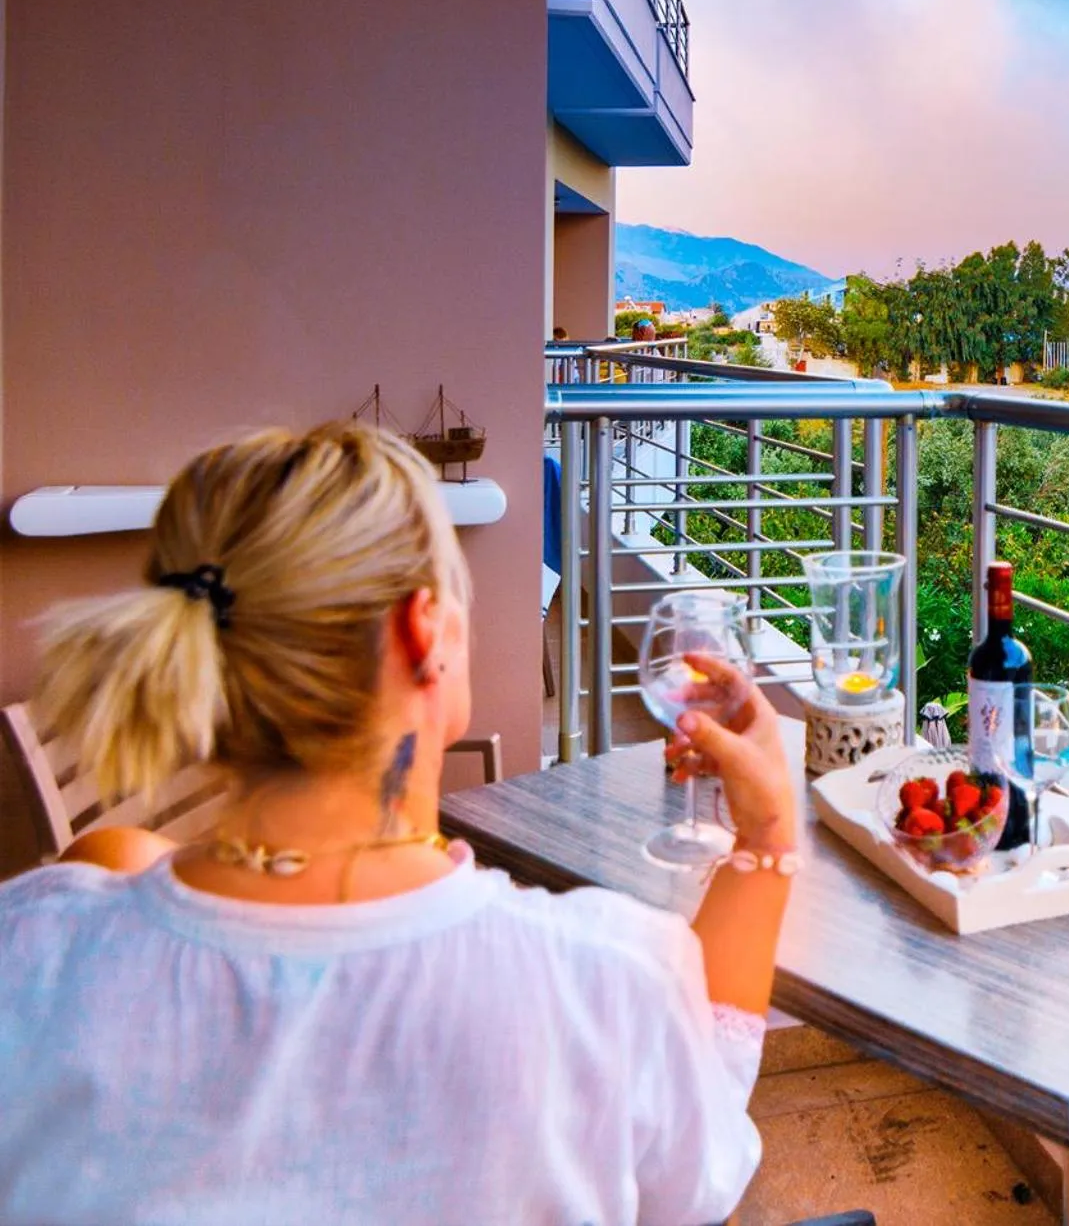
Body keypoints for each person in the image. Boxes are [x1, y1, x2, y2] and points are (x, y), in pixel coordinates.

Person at [0, 422, 798, 1225]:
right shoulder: (602, 983)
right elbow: (700, 1159)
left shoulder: (31, 950)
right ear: (424, 632)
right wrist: (766, 837)